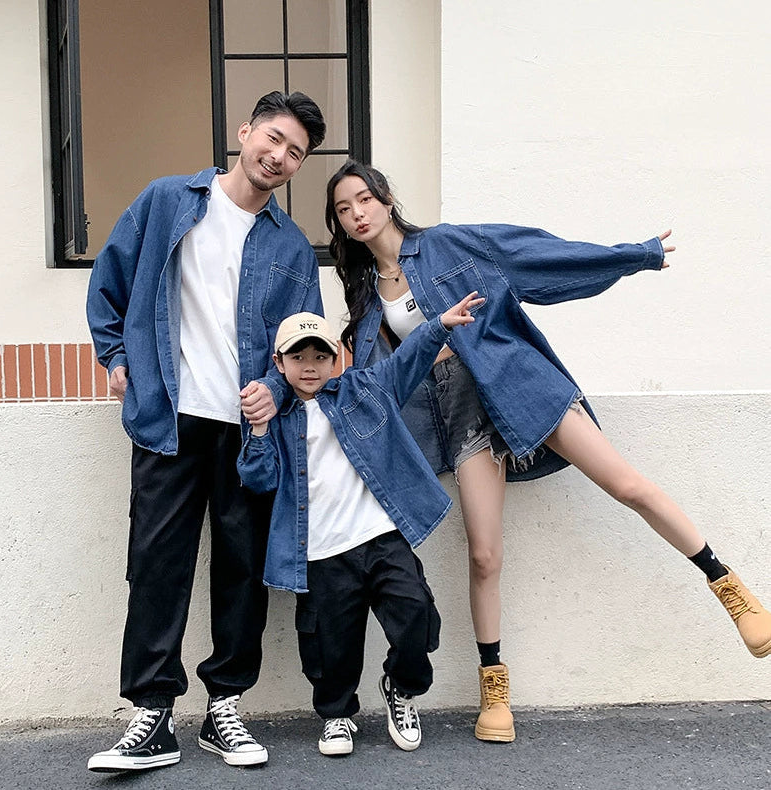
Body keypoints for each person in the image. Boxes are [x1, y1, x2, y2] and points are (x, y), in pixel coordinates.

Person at [323, 158, 771, 744]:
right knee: (484, 556)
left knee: (627, 485)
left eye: (363, 199)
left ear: (385, 199)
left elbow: (536, 256)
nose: (356, 214)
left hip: (519, 385)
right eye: (342, 209)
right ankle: (494, 687)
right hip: (461, 420)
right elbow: (380, 381)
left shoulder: (451, 245)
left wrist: (632, 256)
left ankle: (730, 588)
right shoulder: (361, 293)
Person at [84, 91, 326, 773]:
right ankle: (152, 715)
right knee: (156, 565)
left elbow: (308, 342)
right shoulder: (168, 201)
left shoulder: (290, 247)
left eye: (295, 153)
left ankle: (225, 708)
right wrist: (115, 356)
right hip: (168, 422)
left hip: (247, 437)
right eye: (273, 139)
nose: (278, 157)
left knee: (242, 571)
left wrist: (275, 389)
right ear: (245, 132)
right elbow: (109, 281)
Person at [237, 294, 483, 756]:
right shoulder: (277, 415)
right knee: (332, 646)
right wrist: (258, 430)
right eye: (298, 356)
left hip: (381, 537)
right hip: (322, 553)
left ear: (336, 358)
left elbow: (408, 360)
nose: (309, 366)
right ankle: (336, 717)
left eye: (320, 355)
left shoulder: (365, 388)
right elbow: (258, 479)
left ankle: (401, 687)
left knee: (415, 616)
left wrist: (440, 326)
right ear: (279, 362)